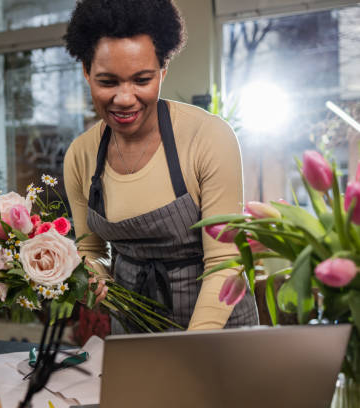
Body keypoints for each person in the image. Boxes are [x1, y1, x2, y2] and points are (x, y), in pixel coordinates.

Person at [63, 0, 258, 332]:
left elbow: (224, 263)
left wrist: (191, 348)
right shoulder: (81, 155)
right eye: (108, 82)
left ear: (163, 71)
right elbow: (91, 249)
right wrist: (93, 279)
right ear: (86, 70)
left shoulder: (208, 137)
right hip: (132, 325)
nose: (125, 98)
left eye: (142, 80)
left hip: (216, 327)